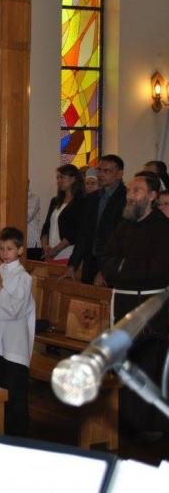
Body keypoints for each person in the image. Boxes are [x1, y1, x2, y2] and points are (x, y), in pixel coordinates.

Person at [98, 172, 169, 439]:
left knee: (147, 364)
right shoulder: (123, 224)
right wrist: (121, 269)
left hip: (149, 305)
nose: (130, 195)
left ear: (152, 196)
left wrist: (123, 269)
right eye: (130, 190)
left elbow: (159, 270)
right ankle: (127, 421)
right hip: (123, 300)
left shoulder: (162, 228)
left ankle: (150, 425)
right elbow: (106, 259)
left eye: (137, 191)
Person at [0, 227, 36, 436]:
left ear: (20, 250)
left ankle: (18, 438)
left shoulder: (23, 278)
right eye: (1, 248)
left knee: (15, 397)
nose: (4, 253)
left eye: (9, 249)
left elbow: (15, 310)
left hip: (14, 347)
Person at [63, 154, 126, 284]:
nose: (100, 174)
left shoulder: (126, 199)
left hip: (113, 266)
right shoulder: (92, 198)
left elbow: (122, 239)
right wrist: (72, 265)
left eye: (106, 171)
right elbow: (83, 234)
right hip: (90, 263)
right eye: (99, 170)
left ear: (119, 174)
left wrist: (104, 271)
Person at [40, 164, 85, 265]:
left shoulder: (81, 201)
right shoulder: (55, 201)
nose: (59, 180)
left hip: (67, 253)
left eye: (62, 177)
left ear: (73, 179)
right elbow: (46, 226)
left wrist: (56, 249)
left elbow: (74, 232)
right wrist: (45, 246)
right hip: (50, 252)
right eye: (58, 177)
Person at [26, 181, 43, 260]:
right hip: (17, 244)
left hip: (31, 244)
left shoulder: (33, 198)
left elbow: (27, 218)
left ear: (28, 183)